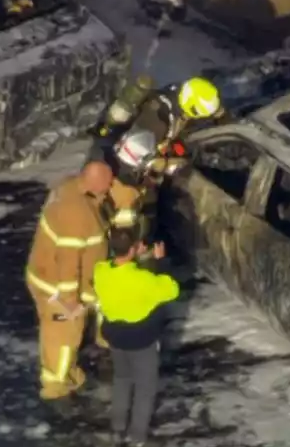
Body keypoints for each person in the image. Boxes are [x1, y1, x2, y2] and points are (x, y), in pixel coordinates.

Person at [25, 160, 138, 407]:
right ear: (96, 183)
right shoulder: (75, 213)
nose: (111, 187)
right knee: (63, 338)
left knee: (69, 337)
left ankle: (69, 372)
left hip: (56, 280)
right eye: (108, 183)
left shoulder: (73, 191)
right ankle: (56, 389)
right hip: (56, 287)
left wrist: (122, 203)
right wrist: (69, 297)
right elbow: (68, 258)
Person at [92, 227, 180, 447]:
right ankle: (138, 439)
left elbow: (123, 272)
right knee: (145, 388)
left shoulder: (101, 271)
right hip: (141, 339)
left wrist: (135, 257)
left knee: (122, 379)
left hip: (115, 337)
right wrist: (160, 262)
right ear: (134, 248)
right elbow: (171, 290)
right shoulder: (144, 280)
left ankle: (117, 429)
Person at [97, 75, 226, 154]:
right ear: (192, 109)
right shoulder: (158, 121)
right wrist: (164, 164)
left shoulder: (174, 95)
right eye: (201, 114)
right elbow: (131, 156)